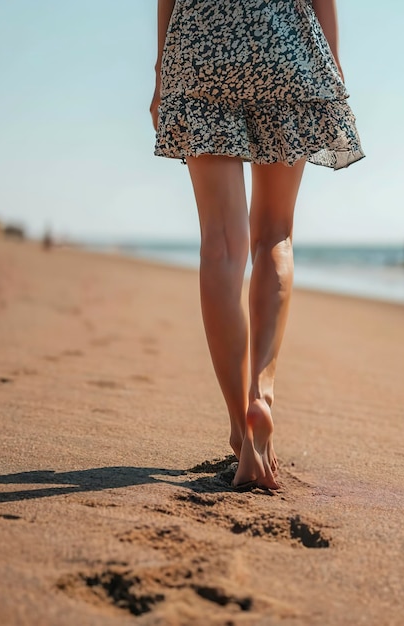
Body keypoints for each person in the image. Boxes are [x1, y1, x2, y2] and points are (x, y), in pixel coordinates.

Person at [151, 0, 364, 489]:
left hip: (199, 45)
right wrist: (328, 63)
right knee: (275, 232)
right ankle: (260, 398)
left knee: (222, 247)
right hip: (283, 43)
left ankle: (237, 428)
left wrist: (163, 70)